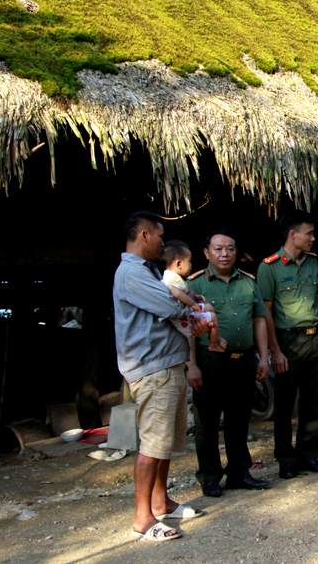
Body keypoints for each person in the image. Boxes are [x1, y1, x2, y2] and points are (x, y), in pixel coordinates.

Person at [112, 211, 210, 542]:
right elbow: (166, 304)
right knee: (153, 443)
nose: (163, 243)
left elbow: (171, 301)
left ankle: (160, 502)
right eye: (159, 236)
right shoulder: (130, 273)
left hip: (167, 364)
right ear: (143, 235)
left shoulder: (146, 271)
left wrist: (189, 309)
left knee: (165, 441)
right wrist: (197, 313)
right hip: (152, 368)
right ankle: (142, 518)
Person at [185, 229, 273, 496]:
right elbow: (186, 326)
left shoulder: (248, 282)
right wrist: (191, 365)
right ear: (206, 253)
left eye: (230, 249)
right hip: (209, 360)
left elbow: (258, 319)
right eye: (219, 249)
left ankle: (239, 472)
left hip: (243, 359)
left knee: (239, 418)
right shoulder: (194, 285)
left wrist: (263, 356)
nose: (225, 254)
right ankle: (210, 477)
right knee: (207, 420)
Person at [257, 210, 318, 479]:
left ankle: (308, 455)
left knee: (314, 403)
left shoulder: (313, 263)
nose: (313, 238)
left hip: (315, 339)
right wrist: (274, 350)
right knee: (285, 404)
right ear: (293, 234)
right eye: (309, 233)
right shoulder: (269, 266)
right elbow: (265, 312)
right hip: (287, 341)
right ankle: (286, 460)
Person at [159, 239, 224, 354]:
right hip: (183, 319)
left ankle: (215, 337)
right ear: (179, 264)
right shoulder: (172, 279)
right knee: (213, 316)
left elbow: (183, 292)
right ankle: (213, 343)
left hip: (184, 314)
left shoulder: (172, 277)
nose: (191, 265)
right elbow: (177, 293)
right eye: (189, 261)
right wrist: (193, 304)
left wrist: (195, 297)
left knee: (209, 308)